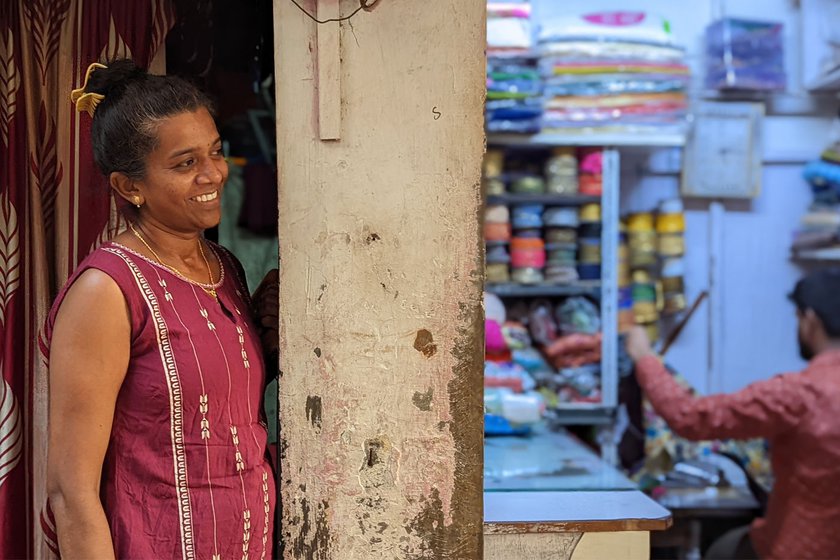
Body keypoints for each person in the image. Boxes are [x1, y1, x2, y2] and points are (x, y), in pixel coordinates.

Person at [45, 59, 278, 559]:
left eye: (215, 152)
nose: (212, 173)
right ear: (130, 187)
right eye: (184, 163)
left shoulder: (223, 267)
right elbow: (72, 491)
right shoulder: (107, 292)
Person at [626, 268, 840, 560]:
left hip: (798, 548)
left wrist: (644, 357)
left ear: (810, 320)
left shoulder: (799, 394)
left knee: (720, 551)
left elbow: (690, 416)